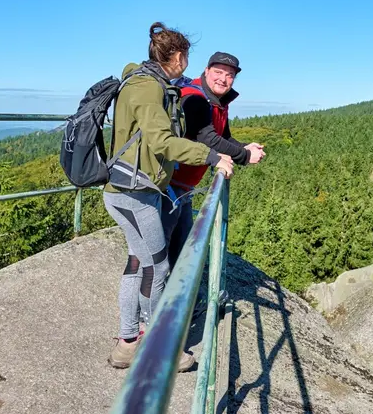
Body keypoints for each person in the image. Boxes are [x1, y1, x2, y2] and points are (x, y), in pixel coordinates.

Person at [103, 23, 234, 370]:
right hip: (135, 193)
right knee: (157, 268)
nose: (186, 63)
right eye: (186, 56)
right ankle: (159, 346)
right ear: (177, 57)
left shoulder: (145, 82)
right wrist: (210, 156)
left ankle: (127, 344)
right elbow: (161, 141)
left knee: (138, 263)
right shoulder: (147, 87)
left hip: (130, 188)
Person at [164, 52, 265, 274]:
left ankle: (181, 300)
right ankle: (160, 305)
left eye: (229, 75)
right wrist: (245, 157)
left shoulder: (218, 101)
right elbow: (207, 138)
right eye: (218, 72)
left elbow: (224, 137)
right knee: (163, 254)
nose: (223, 79)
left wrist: (246, 146)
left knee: (181, 249)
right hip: (167, 186)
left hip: (183, 188)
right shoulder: (195, 98)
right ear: (207, 71)